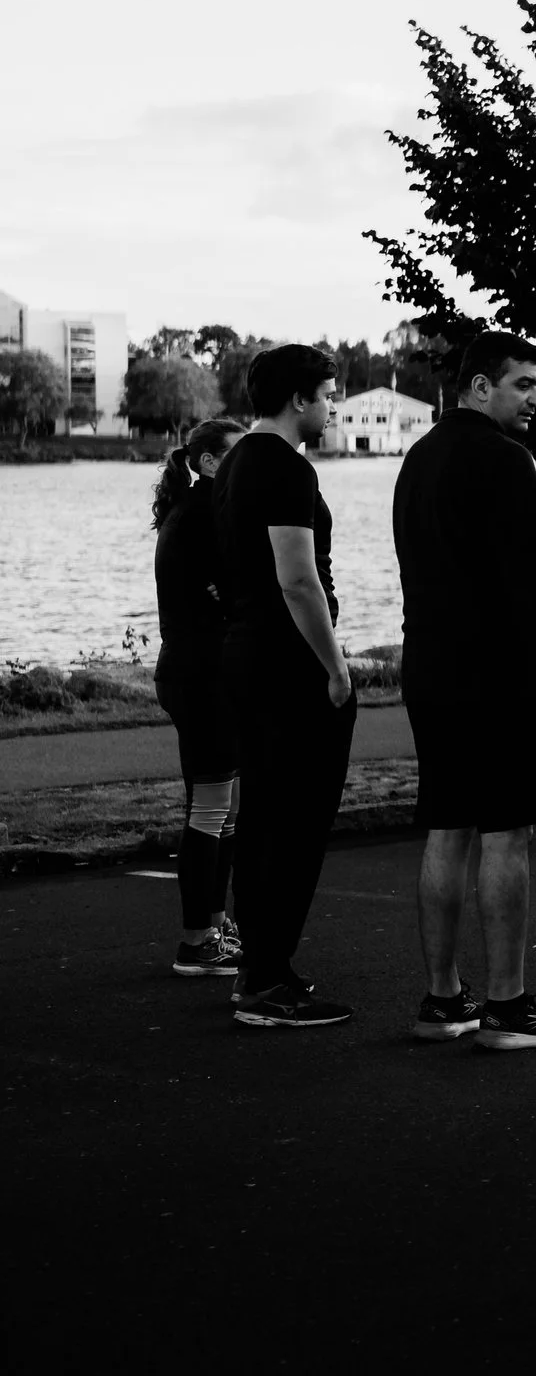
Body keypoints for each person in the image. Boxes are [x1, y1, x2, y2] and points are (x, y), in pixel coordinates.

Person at [393, 332, 536, 1048]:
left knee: (449, 828)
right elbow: (532, 585)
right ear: (481, 386)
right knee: (506, 836)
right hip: (494, 672)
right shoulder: (503, 459)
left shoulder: (417, 458)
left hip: (429, 664)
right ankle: (507, 1006)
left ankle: (442, 1000)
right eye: (524, 385)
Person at [214, 346, 359, 1027]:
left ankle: (262, 971)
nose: (332, 410)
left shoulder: (238, 460)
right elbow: (297, 577)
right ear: (300, 399)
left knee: (265, 816)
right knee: (295, 822)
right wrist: (334, 666)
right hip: (288, 665)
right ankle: (266, 981)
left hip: (247, 654)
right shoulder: (286, 467)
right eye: (329, 396)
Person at [152, 416, 245, 977]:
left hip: (197, 674)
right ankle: (196, 939)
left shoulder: (192, 511)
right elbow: (231, 597)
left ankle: (213, 921)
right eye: (236, 456)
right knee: (212, 807)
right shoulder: (206, 517)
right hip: (202, 677)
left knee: (221, 806)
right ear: (210, 462)